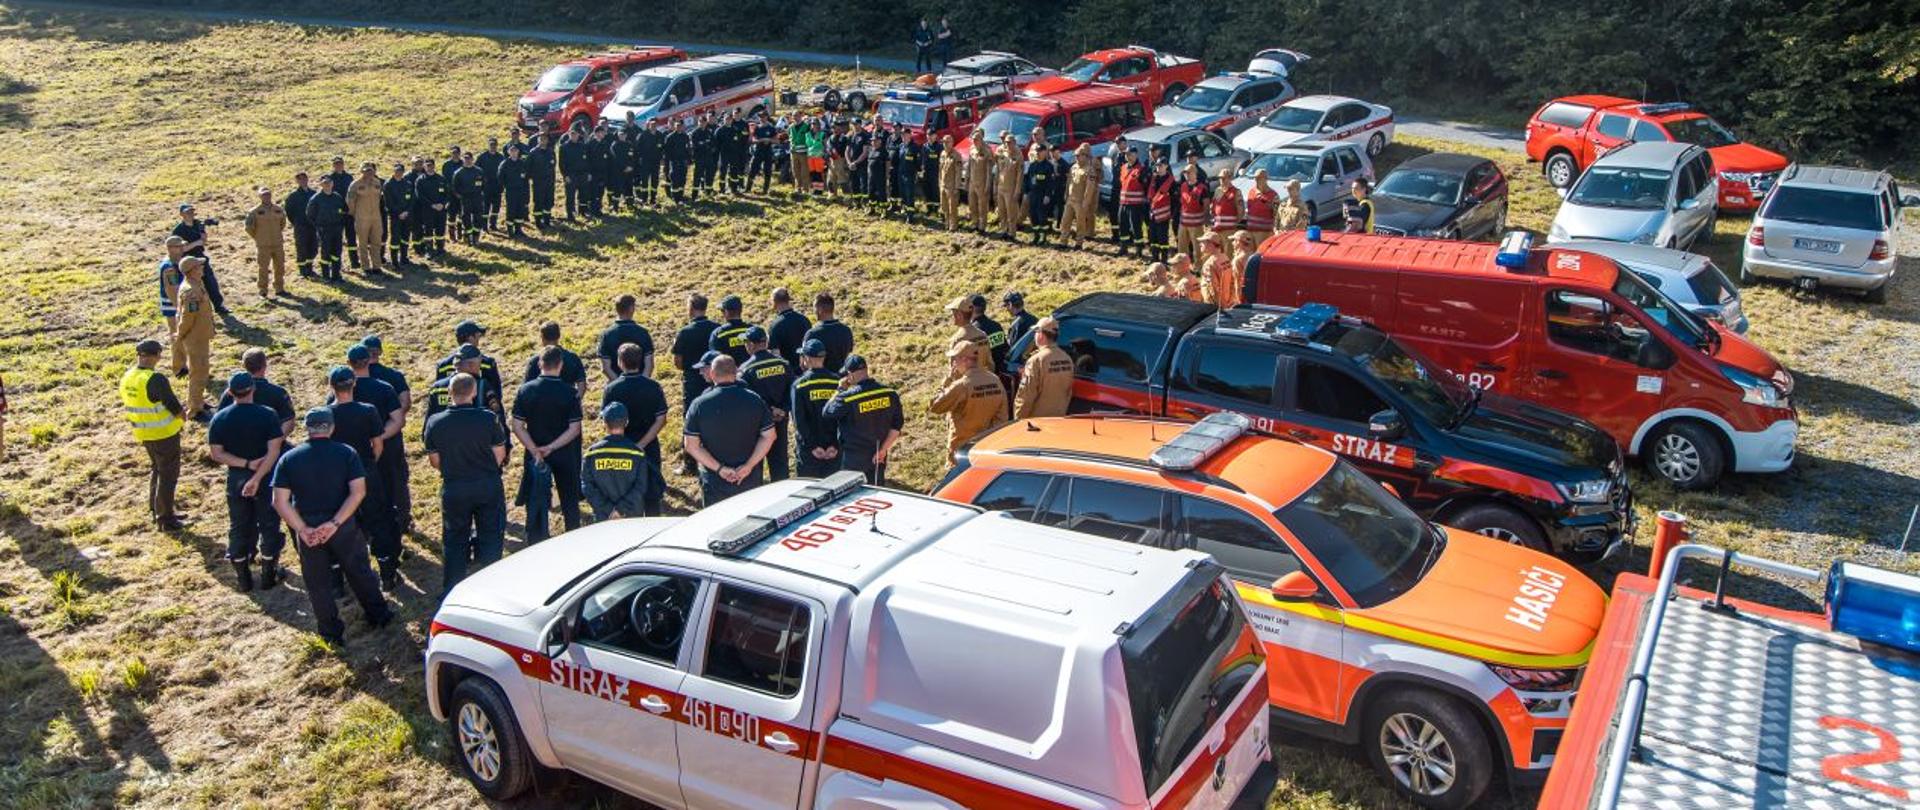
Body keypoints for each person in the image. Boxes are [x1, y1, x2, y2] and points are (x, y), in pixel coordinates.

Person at [270, 407, 393, 646]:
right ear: (332, 427)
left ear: (307, 429)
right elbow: (358, 492)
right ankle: (379, 616)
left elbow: (279, 501)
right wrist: (335, 522)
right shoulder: (346, 453)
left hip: (308, 529)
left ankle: (330, 633)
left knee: (318, 584)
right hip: (343, 524)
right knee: (359, 572)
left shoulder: (289, 459)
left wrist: (302, 529)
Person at [423, 371, 507, 600]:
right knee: (491, 535)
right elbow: (499, 453)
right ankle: (493, 589)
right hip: (487, 484)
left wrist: (455, 469)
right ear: (473, 392)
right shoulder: (488, 418)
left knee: (454, 540)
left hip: (454, 487)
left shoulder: (435, 422)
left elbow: (434, 460)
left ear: (450, 393)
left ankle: (452, 591)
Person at [328, 362, 405, 590]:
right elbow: (378, 443)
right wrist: (370, 463)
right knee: (379, 520)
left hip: (340, 477)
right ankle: (388, 574)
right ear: (354, 385)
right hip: (367, 470)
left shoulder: (327, 414)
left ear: (331, 387)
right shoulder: (367, 410)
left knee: (344, 523)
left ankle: (342, 578)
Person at [207, 372, 286, 592]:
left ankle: (243, 578)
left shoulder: (220, 418)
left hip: (236, 478)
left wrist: (245, 464)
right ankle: (269, 574)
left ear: (230, 393)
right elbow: (274, 450)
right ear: (253, 389)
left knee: (238, 526)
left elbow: (216, 453)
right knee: (269, 523)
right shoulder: (268, 414)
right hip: (267, 476)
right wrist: (258, 476)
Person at [512, 347, 585, 543]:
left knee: (535, 500)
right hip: (564, 453)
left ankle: (536, 541)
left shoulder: (525, 390)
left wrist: (534, 449)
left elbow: (517, 426)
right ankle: (573, 539)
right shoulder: (570, 393)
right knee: (570, 501)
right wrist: (552, 447)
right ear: (560, 365)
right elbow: (574, 428)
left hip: (535, 453)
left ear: (539, 365)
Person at [682, 354, 776, 505]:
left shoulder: (699, 405)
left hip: (714, 480)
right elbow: (769, 436)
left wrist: (720, 469)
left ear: (712, 374)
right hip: (749, 478)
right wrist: (748, 466)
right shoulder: (754, 399)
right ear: (736, 372)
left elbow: (691, 446)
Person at [123, 339, 186, 531]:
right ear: (155, 356)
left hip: (143, 431)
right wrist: (182, 416)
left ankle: (156, 508)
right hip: (163, 433)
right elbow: (172, 404)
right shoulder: (155, 379)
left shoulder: (128, 376)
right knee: (168, 474)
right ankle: (165, 518)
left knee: (157, 469)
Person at [600, 343, 669, 515]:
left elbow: (606, 421)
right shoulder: (653, 386)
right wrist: (642, 444)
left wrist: (628, 445)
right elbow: (661, 419)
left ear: (620, 362)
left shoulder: (611, 389)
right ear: (641, 362)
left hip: (621, 448)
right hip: (649, 447)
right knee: (652, 496)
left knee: (626, 495)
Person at [822, 355, 902, 485]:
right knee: (876, 493)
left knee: (851, 494)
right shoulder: (890, 394)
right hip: (878, 454)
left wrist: (840, 389)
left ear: (850, 375)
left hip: (853, 458)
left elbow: (827, 412)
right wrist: (883, 449)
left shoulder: (848, 398)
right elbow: (896, 426)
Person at [359, 336, 412, 527]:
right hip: (390, 438)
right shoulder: (394, 377)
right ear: (380, 352)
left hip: (361, 442)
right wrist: (388, 424)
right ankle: (403, 519)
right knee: (397, 478)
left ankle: (371, 522)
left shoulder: (349, 381)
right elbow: (405, 403)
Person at [930, 342, 1005, 464]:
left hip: (961, 451)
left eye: (955, 358)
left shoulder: (961, 385)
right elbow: (1002, 416)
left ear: (964, 360)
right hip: (987, 447)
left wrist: (947, 382)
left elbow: (936, 407)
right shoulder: (995, 380)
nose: (953, 363)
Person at [669, 294, 720, 473]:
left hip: (692, 383)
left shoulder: (685, 332)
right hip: (716, 380)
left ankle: (689, 464)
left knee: (691, 421)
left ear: (690, 308)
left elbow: (677, 362)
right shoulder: (717, 329)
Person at [740, 327, 795, 482]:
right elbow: (792, 390)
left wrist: (769, 411)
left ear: (750, 344)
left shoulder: (745, 370)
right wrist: (783, 409)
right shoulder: (783, 364)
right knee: (780, 462)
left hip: (759, 424)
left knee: (756, 462)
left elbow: (748, 398)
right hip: (781, 419)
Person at [580, 402, 647, 522]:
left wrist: (609, 510)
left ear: (604, 423)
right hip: (632, 517)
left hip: (603, 517)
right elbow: (641, 486)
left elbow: (587, 486)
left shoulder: (591, 454)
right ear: (626, 422)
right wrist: (620, 510)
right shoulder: (637, 454)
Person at [217, 347, 297, 438]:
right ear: (265, 366)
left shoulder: (232, 391)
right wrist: (276, 442)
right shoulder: (279, 393)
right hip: (271, 445)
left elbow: (219, 421)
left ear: (244, 366)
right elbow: (289, 421)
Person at [788, 339, 841, 478]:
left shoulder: (799, 385)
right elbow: (843, 417)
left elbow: (798, 421)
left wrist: (812, 446)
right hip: (833, 451)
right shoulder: (837, 382)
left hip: (809, 451)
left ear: (807, 358)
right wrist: (835, 445)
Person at [173, 257, 216, 422]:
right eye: (199, 266)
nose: (202, 268)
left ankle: (199, 401)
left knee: (202, 370)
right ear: (192, 270)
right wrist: (180, 334)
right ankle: (194, 409)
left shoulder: (196, 284)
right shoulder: (191, 291)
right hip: (195, 337)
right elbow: (187, 318)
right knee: (198, 372)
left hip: (200, 335)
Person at [171, 202, 231, 316]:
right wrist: (197, 243)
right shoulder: (178, 231)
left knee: (211, 282)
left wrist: (203, 234)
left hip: (200, 256)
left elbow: (203, 239)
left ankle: (219, 306)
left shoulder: (197, 224)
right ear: (181, 214)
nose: (191, 214)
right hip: (187, 260)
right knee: (192, 285)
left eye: (192, 212)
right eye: (188, 212)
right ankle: (197, 311)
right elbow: (180, 249)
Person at [1013, 317, 1075, 419]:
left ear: (1041, 335)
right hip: (1058, 420)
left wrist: (1018, 420)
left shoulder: (1036, 361)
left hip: (1036, 424)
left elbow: (1026, 397)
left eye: (1036, 332)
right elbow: (1068, 392)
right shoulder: (1067, 359)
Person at [595, 294, 655, 380]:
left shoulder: (606, 335)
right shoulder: (643, 333)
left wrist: (618, 384)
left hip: (616, 389)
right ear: (631, 309)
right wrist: (642, 383)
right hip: (642, 388)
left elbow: (606, 368)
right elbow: (649, 365)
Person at [521, 321, 587, 398]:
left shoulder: (535, 360)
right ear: (559, 336)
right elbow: (581, 383)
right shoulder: (573, 358)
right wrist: (575, 402)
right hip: (566, 402)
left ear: (542, 337)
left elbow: (526, 388)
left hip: (541, 404)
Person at [244, 186, 288, 297]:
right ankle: (263, 290)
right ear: (260, 196)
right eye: (264, 195)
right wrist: (258, 237)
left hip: (277, 244)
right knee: (263, 268)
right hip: (263, 246)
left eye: (268, 194)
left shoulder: (278, 209)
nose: (267, 197)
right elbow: (249, 228)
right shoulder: (254, 212)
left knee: (280, 267)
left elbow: (283, 224)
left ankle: (279, 288)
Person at [346, 162, 387, 275]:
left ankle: (376, 266)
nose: (369, 173)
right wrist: (355, 214)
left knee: (376, 242)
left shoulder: (377, 183)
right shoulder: (355, 184)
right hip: (361, 218)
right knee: (363, 243)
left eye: (371, 171)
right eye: (366, 171)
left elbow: (380, 198)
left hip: (376, 217)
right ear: (362, 171)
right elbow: (350, 201)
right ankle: (365, 266)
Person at [305, 176, 348, 280]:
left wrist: (341, 222)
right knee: (326, 252)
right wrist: (319, 226)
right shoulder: (316, 198)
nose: (327, 185)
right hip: (324, 230)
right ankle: (326, 276)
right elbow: (310, 214)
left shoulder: (337, 197)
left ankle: (336, 275)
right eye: (324, 183)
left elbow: (344, 210)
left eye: (329, 183)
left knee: (337, 252)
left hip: (337, 229)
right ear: (321, 185)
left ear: (332, 184)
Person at [802, 292, 855, 374]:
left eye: (814, 308)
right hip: (841, 379)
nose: (814, 311)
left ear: (819, 310)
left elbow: (804, 363)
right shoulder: (846, 331)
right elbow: (848, 355)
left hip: (821, 381)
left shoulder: (812, 334)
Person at [156, 237, 187, 373]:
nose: (182, 249)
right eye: (178, 246)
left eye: (182, 246)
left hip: (176, 304)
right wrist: (179, 308)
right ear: (170, 249)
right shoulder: (169, 267)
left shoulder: (176, 262)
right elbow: (172, 290)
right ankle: (179, 367)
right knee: (177, 335)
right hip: (173, 306)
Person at [325, 157, 360, 270]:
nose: (338, 166)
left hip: (349, 212)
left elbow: (354, 194)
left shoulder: (349, 177)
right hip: (336, 214)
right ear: (333, 165)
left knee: (351, 237)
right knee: (336, 239)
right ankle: (336, 264)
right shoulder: (329, 178)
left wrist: (353, 208)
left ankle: (354, 262)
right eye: (336, 164)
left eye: (340, 163)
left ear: (343, 164)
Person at [1059, 144, 1098, 246]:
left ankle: (1079, 242)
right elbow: (1069, 182)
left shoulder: (1089, 170)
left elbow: (1090, 189)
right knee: (1065, 221)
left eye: (1078, 155)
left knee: (1080, 223)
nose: (1076, 157)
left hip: (1080, 201)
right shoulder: (1073, 167)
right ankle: (1063, 241)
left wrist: (1086, 202)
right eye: (1075, 156)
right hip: (1071, 199)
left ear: (1085, 156)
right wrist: (1066, 194)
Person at [412, 157, 450, 259]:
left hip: (441, 210)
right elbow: (420, 196)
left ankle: (440, 248)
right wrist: (432, 205)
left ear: (434, 166)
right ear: (424, 166)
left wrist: (442, 204)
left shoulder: (441, 179)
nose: (430, 167)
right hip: (427, 210)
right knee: (428, 231)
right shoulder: (420, 180)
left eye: (431, 165)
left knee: (440, 230)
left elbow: (447, 194)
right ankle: (429, 250)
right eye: (427, 165)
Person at [946, 295, 993, 377]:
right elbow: (990, 364)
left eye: (953, 313)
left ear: (959, 315)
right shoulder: (983, 335)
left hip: (966, 386)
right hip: (982, 381)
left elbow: (953, 371)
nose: (952, 316)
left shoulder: (957, 339)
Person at [766, 287, 811, 368]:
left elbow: (775, 355)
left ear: (774, 302)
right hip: (806, 370)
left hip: (789, 374)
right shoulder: (805, 320)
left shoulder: (775, 326)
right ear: (788, 299)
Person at [382, 163, 416, 268]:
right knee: (395, 238)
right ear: (393, 171)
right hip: (395, 217)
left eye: (401, 171)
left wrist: (407, 212)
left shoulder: (408, 183)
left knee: (405, 237)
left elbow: (412, 200)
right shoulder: (388, 185)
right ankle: (394, 260)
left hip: (407, 216)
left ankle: (404, 257)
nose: (399, 173)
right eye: (397, 171)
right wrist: (398, 213)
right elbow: (388, 203)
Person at [1114, 148, 1148, 254]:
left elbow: (1146, 186)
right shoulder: (1123, 167)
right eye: (1127, 155)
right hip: (1123, 203)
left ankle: (1139, 249)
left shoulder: (1141, 169)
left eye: (1131, 154)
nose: (1129, 157)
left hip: (1136, 204)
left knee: (1136, 227)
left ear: (1136, 155)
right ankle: (1124, 247)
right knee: (1122, 225)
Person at [285, 173, 319, 278]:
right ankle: (302, 270)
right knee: (301, 247)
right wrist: (296, 222)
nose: (303, 181)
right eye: (300, 179)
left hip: (313, 226)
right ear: (297, 181)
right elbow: (289, 211)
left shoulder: (314, 193)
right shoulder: (293, 196)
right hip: (301, 226)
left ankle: (310, 268)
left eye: (304, 178)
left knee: (313, 247)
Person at [1024, 144, 1059, 244]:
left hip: (1042, 195)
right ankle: (1036, 236)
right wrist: (1026, 192)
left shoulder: (1048, 166)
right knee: (1033, 215)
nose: (1038, 153)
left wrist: (1048, 195)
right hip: (1033, 194)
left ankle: (1043, 237)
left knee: (1042, 217)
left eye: (1040, 151)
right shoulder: (1032, 165)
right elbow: (1027, 179)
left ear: (1045, 152)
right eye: (1036, 151)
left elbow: (1051, 183)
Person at [1176, 162, 1209, 262]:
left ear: (1195, 173)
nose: (1186, 175)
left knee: (1197, 247)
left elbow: (1206, 205)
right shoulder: (1183, 186)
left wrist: (1206, 219)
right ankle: (1183, 265)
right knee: (1181, 246)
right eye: (1185, 173)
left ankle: (1198, 267)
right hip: (1183, 222)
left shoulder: (1202, 188)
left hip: (1196, 224)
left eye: (1189, 173)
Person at [969, 293, 1009, 375]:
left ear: (971, 308)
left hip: (984, 375)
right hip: (1002, 372)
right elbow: (1005, 348)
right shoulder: (996, 325)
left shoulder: (973, 330)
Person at [452, 153, 488, 245]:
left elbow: (484, 184)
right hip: (465, 198)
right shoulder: (458, 173)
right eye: (465, 159)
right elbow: (455, 187)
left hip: (477, 197)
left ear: (472, 159)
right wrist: (459, 195)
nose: (467, 161)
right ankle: (468, 237)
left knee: (478, 218)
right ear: (463, 160)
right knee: (466, 218)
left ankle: (476, 237)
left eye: (469, 159)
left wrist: (481, 194)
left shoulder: (479, 171)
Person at [1146, 156, 1177, 262]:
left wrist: (1172, 213)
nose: (1159, 168)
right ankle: (1154, 258)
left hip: (1164, 215)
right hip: (1153, 213)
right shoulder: (1154, 178)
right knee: (1153, 237)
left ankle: (1164, 259)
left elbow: (1174, 199)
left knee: (1163, 238)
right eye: (1158, 165)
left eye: (1161, 166)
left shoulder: (1171, 181)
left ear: (1166, 166)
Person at [707, 294, 752, 364]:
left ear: (726, 312)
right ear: (741, 310)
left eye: (722, 311)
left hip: (729, 373)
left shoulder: (718, 334)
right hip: (751, 372)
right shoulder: (752, 330)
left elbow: (716, 360)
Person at [994, 138, 1026, 239]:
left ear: (1014, 143)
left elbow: (1019, 176)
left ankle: (1012, 232)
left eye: (1010, 143)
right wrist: (996, 184)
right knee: (1002, 211)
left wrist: (1017, 190)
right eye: (1006, 143)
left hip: (1011, 188)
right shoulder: (1002, 153)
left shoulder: (1018, 155)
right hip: (1001, 186)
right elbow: (999, 169)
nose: (1008, 145)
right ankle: (1003, 230)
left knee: (1011, 212)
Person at [1200, 231, 1239, 308]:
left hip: (1214, 305)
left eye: (1203, 242)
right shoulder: (1225, 258)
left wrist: (1220, 307)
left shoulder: (1210, 264)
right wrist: (1229, 301)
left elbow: (1212, 288)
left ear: (1210, 244)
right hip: (1227, 300)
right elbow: (1232, 281)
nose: (1200, 244)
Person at [964, 131, 994, 231]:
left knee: (982, 205)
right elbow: (969, 166)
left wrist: (987, 185)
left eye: (976, 139)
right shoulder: (972, 150)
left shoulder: (987, 151)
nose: (974, 141)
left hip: (982, 182)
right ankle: (974, 223)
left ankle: (982, 225)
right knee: (972, 204)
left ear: (981, 140)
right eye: (973, 139)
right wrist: (966, 181)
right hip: (972, 181)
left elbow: (989, 170)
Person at [559, 129, 591, 220]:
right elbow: (561, 164)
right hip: (571, 175)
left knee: (583, 194)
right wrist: (565, 176)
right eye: (572, 134)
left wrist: (588, 173)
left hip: (583, 174)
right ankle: (570, 213)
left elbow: (587, 161)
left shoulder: (582, 146)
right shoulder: (564, 147)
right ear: (569, 134)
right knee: (570, 196)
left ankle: (582, 211)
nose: (574, 136)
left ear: (578, 135)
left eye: (575, 134)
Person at [528, 134, 557, 230]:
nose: (543, 141)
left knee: (548, 201)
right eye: (541, 139)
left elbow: (553, 166)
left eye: (545, 139)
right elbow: (529, 168)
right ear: (538, 140)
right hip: (538, 182)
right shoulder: (533, 152)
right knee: (538, 201)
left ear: (547, 141)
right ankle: (538, 221)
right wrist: (534, 177)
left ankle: (547, 220)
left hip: (549, 181)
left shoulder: (551, 152)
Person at [476, 138, 505, 230]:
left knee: (496, 207)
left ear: (497, 146)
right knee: (485, 207)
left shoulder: (501, 157)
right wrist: (479, 185)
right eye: (491, 145)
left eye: (494, 145)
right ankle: (484, 226)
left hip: (497, 186)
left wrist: (503, 184)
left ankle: (493, 224)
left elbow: (504, 172)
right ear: (488, 145)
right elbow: (476, 172)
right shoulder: (482, 157)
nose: (493, 147)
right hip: (486, 187)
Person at [1244, 169, 1279, 243]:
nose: (1256, 180)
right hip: (1251, 230)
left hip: (1265, 232)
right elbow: (1249, 208)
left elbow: (1277, 215)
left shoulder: (1273, 195)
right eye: (1255, 178)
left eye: (1259, 178)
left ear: (1266, 179)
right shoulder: (1251, 191)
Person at [747, 111, 779, 194]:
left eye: (763, 116)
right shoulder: (757, 127)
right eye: (760, 117)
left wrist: (769, 140)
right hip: (758, 151)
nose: (762, 118)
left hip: (768, 152)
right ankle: (748, 188)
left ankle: (765, 190)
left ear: (767, 117)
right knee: (753, 170)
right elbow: (752, 140)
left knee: (767, 171)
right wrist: (760, 140)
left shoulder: (771, 128)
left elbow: (777, 141)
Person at [937, 134, 963, 230]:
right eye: (943, 142)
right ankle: (947, 223)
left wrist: (957, 187)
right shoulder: (942, 154)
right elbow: (940, 169)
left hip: (952, 186)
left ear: (952, 143)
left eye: (947, 142)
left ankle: (953, 226)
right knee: (944, 206)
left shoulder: (956, 155)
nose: (945, 144)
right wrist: (939, 183)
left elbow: (958, 172)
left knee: (952, 207)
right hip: (943, 184)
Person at [662, 118, 692, 203]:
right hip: (674, 162)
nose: (679, 127)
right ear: (675, 126)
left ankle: (681, 196)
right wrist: (666, 164)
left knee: (683, 179)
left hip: (683, 162)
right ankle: (675, 198)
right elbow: (667, 152)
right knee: (675, 180)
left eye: (680, 126)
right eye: (677, 126)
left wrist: (689, 160)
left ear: (683, 126)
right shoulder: (670, 137)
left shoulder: (685, 136)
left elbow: (688, 149)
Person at [440, 146, 466, 241]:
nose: (455, 155)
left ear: (460, 153)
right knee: (451, 216)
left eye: (457, 153)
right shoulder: (446, 165)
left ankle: (460, 234)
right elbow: (445, 181)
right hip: (450, 195)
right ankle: (452, 236)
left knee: (461, 215)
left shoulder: (463, 163)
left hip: (462, 194)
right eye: (453, 153)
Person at [1212, 168, 1244, 238]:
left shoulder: (1236, 192)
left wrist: (1233, 224)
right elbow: (1213, 207)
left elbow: (1241, 212)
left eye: (1224, 178)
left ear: (1230, 178)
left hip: (1229, 229)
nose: (1221, 180)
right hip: (1217, 227)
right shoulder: (1218, 190)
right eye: (1220, 178)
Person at [786, 115, 813, 196]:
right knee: (795, 171)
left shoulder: (806, 126)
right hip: (793, 152)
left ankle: (805, 189)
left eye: (797, 116)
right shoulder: (791, 127)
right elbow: (789, 136)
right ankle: (798, 188)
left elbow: (809, 137)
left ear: (800, 116)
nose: (795, 118)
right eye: (794, 116)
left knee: (804, 171)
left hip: (803, 152)